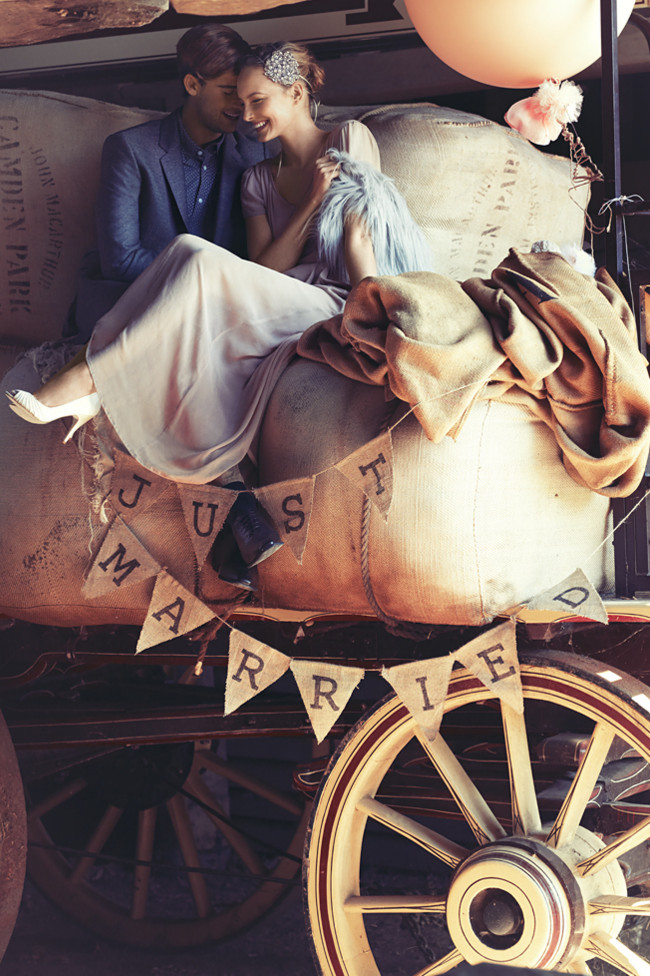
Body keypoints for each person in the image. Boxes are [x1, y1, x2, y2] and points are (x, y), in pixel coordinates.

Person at [7, 42, 429, 588]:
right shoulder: (257, 177)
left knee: (199, 261)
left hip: (334, 297)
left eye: (258, 102)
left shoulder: (349, 141)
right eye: (241, 101)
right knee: (187, 250)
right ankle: (105, 386)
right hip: (278, 291)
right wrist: (306, 206)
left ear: (296, 94)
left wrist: (370, 315)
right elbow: (264, 267)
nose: (248, 117)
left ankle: (93, 377)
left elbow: (359, 244)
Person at [69, 23, 276, 340]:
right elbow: (120, 261)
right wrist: (206, 277)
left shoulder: (256, 149)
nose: (242, 106)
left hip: (213, 321)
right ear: (193, 85)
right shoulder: (129, 149)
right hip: (128, 313)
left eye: (247, 94)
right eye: (229, 91)